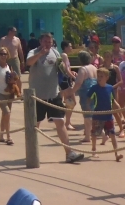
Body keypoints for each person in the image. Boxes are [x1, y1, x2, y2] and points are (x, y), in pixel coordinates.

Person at [25, 32, 86, 163]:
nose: (48, 44)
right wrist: (40, 54)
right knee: (35, 125)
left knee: (61, 123)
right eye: (45, 41)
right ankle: (31, 153)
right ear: (40, 42)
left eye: (50, 42)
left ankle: (69, 153)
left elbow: (61, 69)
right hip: (37, 96)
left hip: (53, 94)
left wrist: (69, 72)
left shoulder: (56, 53)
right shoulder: (33, 52)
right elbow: (28, 63)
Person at [86, 68, 123, 161]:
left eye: (101, 76)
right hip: (97, 115)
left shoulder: (110, 88)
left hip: (108, 116)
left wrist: (117, 107)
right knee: (94, 134)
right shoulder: (94, 88)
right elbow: (88, 99)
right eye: (98, 76)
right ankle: (94, 150)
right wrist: (89, 107)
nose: (99, 78)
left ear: (107, 77)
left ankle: (116, 153)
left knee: (112, 134)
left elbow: (112, 100)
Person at [72, 50, 98, 145]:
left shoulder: (83, 69)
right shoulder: (94, 68)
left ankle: (92, 135)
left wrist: (72, 91)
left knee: (88, 116)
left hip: (86, 94)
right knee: (93, 115)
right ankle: (90, 135)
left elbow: (79, 83)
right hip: (95, 93)